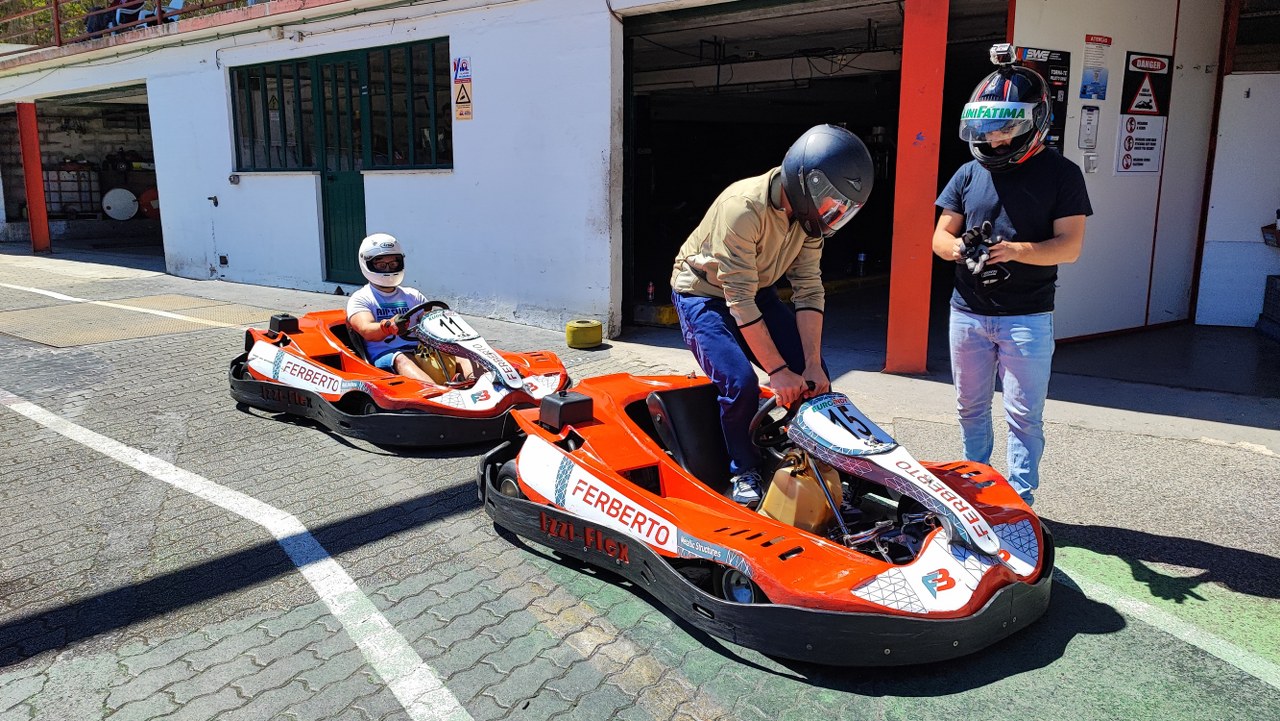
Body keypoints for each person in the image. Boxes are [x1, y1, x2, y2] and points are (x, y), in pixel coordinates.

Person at [670, 124, 874, 507]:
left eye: (840, 209)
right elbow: (740, 301)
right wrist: (778, 371)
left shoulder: (811, 221)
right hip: (702, 293)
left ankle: (819, 463)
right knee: (740, 383)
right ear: (805, 181)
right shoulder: (743, 207)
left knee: (817, 381)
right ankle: (742, 470)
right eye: (830, 204)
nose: (833, 215)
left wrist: (811, 365)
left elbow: (809, 290)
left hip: (754, 291)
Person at [932, 44, 1093, 507]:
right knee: (970, 409)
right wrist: (963, 249)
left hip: (1028, 316)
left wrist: (1014, 251)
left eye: (1006, 128)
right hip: (967, 313)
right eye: (987, 129)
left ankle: (1020, 500)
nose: (996, 139)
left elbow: (1071, 246)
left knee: (1024, 415)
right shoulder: (968, 173)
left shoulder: (1063, 174)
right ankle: (974, 490)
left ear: (1034, 122)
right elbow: (940, 239)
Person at [346, 233, 440, 383]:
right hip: (385, 355)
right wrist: (388, 327)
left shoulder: (413, 295)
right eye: (381, 265)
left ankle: (483, 385)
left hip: (419, 350)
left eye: (393, 264)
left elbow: (431, 323)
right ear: (367, 263)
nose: (388, 269)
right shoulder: (361, 298)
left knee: (458, 352)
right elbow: (366, 329)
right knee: (402, 358)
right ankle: (439, 396)